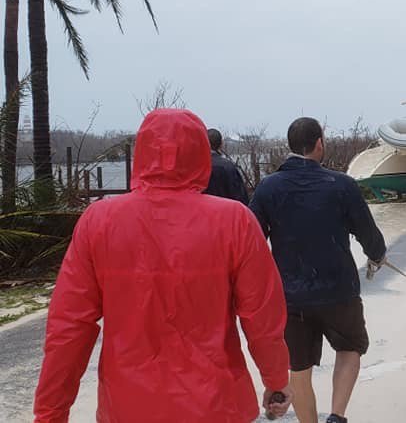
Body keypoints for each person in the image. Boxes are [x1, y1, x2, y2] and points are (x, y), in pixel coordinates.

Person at [33, 109, 293, 423]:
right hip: (216, 404)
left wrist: (50, 413)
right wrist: (276, 381)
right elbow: (263, 318)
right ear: (200, 154)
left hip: (128, 406)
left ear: (143, 151)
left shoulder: (99, 221)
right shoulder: (234, 220)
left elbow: (68, 328)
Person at [249, 116, 386, 423]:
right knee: (350, 348)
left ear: (290, 146)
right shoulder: (342, 185)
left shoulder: (268, 188)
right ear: (320, 143)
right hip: (339, 291)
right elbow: (368, 233)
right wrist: (377, 256)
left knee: (298, 367)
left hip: (290, 296)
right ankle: (336, 416)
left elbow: (251, 240)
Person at [204, 127, 250, 203]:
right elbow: (240, 197)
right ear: (221, 144)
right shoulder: (228, 166)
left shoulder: (195, 167)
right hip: (227, 211)